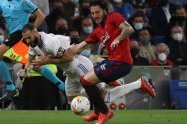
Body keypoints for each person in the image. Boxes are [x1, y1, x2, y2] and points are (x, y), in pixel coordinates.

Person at [21, 23, 156, 118]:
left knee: (101, 96)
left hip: (79, 65)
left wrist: (47, 60)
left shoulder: (50, 42)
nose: (27, 41)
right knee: (72, 101)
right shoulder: (33, 43)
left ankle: (138, 84)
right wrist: (26, 68)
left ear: (36, 32)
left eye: (29, 37)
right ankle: (105, 88)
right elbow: (30, 57)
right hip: (69, 73)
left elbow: (68, 57)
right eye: (25, 39)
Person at [67, 1, 155, 123]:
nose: (95, 15)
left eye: (97, 12)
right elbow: (80, 46)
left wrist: (118, 38)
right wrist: (63, 51)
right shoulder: (98, 31)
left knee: (86, 81)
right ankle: (100, 111)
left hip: (122, 62)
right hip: (112, 61)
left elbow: (128, 29)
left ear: (104, 11)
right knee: (88, 82)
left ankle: (104, 112)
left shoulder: (113, 17)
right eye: (92, 13)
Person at [0, 0, 64, 101]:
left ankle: (11, 88)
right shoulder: (1, 2)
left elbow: (41, 16)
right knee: (36, 66)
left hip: (21, 36)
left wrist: (30, 32)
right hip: (13, 37)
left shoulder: (24, 2)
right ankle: (62, 86)